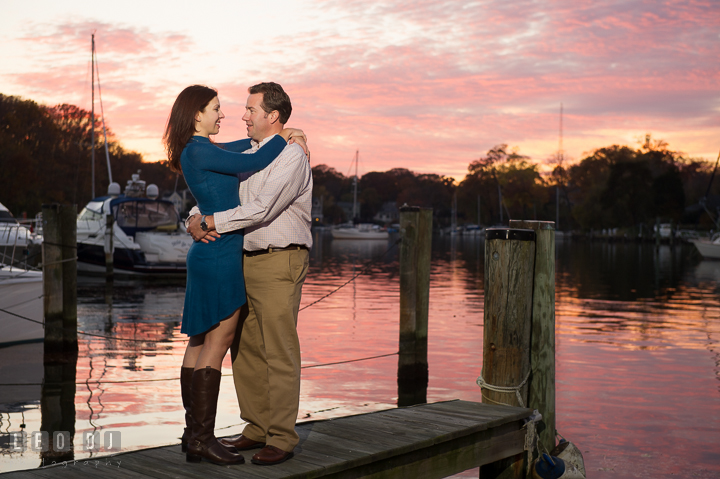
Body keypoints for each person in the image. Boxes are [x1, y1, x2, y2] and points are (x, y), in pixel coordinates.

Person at [163, 84, 306, 466]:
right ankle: (211, 435)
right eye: (219, 108)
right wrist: (197, 218)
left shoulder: (288, 155)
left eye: (249, 110)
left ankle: (272, 436)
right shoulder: (210, 149)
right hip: (230, 253)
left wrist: (292, 137)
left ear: (271, 116)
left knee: (262, 348)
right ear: (197, 115)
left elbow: (256, 206)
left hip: (272, 257)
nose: (235, 115)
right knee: (233, 346)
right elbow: (236, 175)